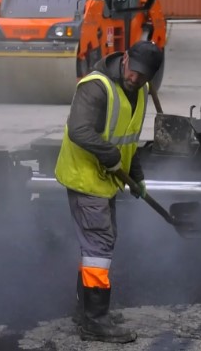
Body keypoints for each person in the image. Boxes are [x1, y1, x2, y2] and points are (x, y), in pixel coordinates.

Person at [54, 40, 163, 343]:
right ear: (125, 58)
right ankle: (95, 321)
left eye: (143, 76)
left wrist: (136, 176)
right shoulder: (96, 86)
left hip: (106, 180)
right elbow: (79, 130)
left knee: (97, 245)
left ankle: (86, 310)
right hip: (85, 177)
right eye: (134, 71)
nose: (135, 78)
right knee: (99, 246)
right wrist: (110, 156)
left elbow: (128, 139)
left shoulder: (139, 91)